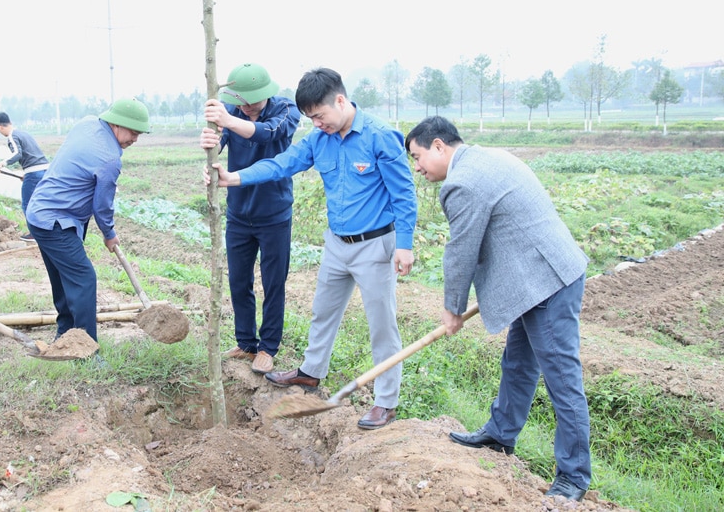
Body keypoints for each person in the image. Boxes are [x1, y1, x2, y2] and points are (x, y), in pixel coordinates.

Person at [209, 67, 417, 430]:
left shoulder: (380, 137)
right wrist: (234, 178)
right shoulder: (319, 140)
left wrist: (405, 245)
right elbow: (281, 164)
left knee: (381, 326)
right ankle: (310, 372)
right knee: (322, 312)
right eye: (310, 118)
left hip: (374, 246)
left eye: (320, 116)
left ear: (340, 100)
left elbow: (404, 195)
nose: (316, 123)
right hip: (337, 244)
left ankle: (386, 402)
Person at [404, 116, 591, 501]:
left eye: (418, 156)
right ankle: (501, 434)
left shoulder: (463, 182)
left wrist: (452, 308)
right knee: (518, 363)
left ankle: (573, 477)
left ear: (439, 146)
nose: (417, 167)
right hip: (533, 275)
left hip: (548, 280)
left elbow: (461, 251)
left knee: (562, 380)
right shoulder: (487, 156)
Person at [198, 63, 300, 374]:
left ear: (266, 94)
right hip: (239, 214)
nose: (245, 107)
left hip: (274, 214)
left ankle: (268, 347)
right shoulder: (232, 111)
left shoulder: (287, 110)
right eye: (240, 102)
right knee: (238, 281)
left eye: (251, 102)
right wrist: (209, 150)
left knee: (273, 283)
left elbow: (269, 135)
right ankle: (245, 342)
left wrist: (227, 119)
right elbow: (220, 143)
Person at [26, 98, 150, 343]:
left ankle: (65, 332)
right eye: (133, 133)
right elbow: (102, 206)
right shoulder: (110, 158)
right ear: (116, 124)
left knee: (63, 277)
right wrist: (109, 233)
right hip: (56, 222)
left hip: (39, 212)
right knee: (84, 279)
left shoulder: (87, 123)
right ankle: (85, 348)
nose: (135, 140)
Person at [0, 111, 49, 240]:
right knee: (42, 202)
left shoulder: (12, 136)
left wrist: (1, 164)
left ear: (0, 127)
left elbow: (18, 153)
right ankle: (47, 231)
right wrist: (26, 174)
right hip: (45, 170)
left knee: (28, 204)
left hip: (34, 173)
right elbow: (33, 154)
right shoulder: (24, 133)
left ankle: (34, 234)